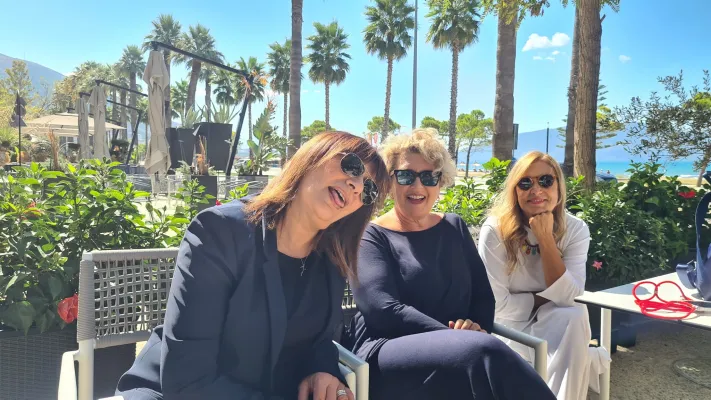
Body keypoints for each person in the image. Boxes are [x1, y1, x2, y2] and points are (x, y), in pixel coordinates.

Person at [115, 131, 390, 400]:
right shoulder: (220, 232)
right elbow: (187, 379)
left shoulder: (332, 258)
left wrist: (321, 372)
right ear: (313, 157)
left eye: (368, 189)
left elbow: (317, 341)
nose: (356, 186)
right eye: (352, 166)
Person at [345, 129, 556, 400]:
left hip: (461, 354)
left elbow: (482, 296)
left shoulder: (454, 226)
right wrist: (456, 337)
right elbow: (382, 309)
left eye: (429, 177)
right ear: (389, 181)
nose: (418, 187)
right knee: (484, 353)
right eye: (406, 176)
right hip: (389, 354)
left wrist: (476, 328)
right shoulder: (370, 235)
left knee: (478, 359)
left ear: (440, 181)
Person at [478, 150, 609, 399]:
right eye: (525, 183)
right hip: (510, 328)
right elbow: (497, 306)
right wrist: (547, 297)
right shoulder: (495, 230)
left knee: (574, 313)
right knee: (572, 325)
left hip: (557, 322)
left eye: (546, 181)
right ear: (515, 191)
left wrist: (546, 237)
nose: (536, 190)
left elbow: (570, 297)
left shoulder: (575, 229)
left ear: (558, 186)